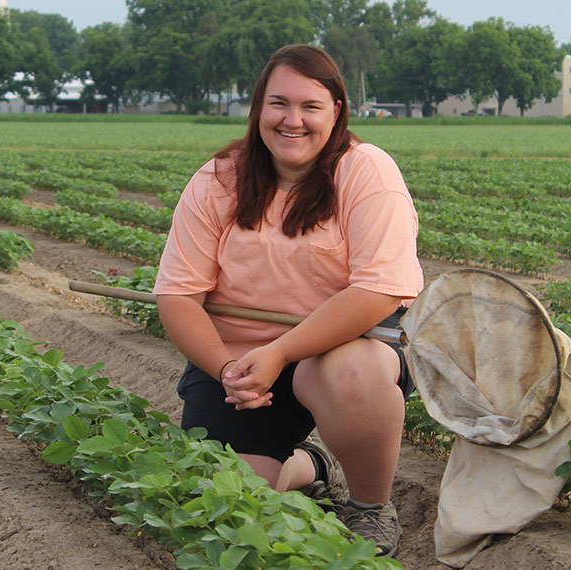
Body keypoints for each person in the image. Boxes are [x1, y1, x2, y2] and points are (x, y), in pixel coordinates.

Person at [153, 44, 423, 558]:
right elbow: (179, 296)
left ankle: (369, 507)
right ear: (258, 108)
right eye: (278, 104)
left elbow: (379, 289)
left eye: (310, 106)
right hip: (243, 363)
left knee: (349, 375)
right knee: (229, 498)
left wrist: (282, 351)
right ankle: (310, 465)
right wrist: (227, 367)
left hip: (339, 352)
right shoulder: (219, 179)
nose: (292, 120)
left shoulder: (366, 172)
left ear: (337, 112)